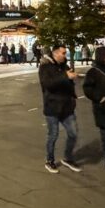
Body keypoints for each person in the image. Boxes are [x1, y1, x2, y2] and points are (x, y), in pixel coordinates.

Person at [38, 43, 80, 173]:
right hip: (52, 107)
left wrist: (72, 90)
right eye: (63, 53)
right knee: (53, 135)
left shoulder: (64, 65)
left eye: (65, 53)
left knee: (73, 133)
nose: (65, 55)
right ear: (55, 53)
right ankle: (49, 160)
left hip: (67, 107)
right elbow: (48, 84)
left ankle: (67, 158)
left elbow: (68, 82)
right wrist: (65, 76)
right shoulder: (45, 67)